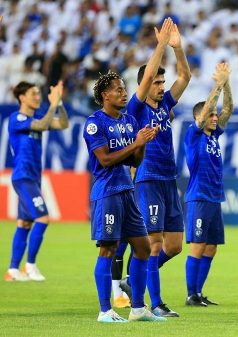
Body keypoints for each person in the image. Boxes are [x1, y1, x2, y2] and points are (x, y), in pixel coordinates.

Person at [83, 20, 173, 324]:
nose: (125, 94)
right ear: (105, 95)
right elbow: (105, 160)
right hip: (107, 191)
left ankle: (137, 308)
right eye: (119, 90)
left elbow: (134, 162)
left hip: (127, 191)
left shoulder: (128, 119)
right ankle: (105, 310)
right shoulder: (95, 123)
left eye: (124, 89)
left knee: (144, 248)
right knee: (108, 250)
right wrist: (136, 141)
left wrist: (142, 142)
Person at [127, 17, 191, 317]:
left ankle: (133, 278)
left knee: (175, 245)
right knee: (153, 244)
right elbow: (149, 71)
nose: (161, 85)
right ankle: (155, 302)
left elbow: (186, 76)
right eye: (156, 81)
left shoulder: (165, 104)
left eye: (163, 82)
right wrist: (160, 45)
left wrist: (177, 49)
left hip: (169, 179)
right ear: (145, 83)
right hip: (148, 179)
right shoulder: (136, 107)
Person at [5, 80, 68, 282]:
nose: (37, 96)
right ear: (22, 97)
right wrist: (52, 105)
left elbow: (63, 124)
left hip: (33, 178)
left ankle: (13, 270)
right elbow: (42, 125)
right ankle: (30, 266)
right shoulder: (17, 118)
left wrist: (58, 104)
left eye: (38, 93)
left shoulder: (38, 117)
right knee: (43, 218)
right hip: (23, 177)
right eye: (33, 93)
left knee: (24, 223)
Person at [184, 63, 233, 307]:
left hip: (214, 198)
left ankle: (199, 292)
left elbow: (229, 109)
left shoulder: (214, 135)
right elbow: (206, 114)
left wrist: (227, 83)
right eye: (210, 115)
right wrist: (218, 84)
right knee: (198, 245)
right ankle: (190, 294)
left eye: (214, 115)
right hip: (199, 197)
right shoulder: (193, 135)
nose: (215, 118)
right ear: (198, 117)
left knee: (211, 248)